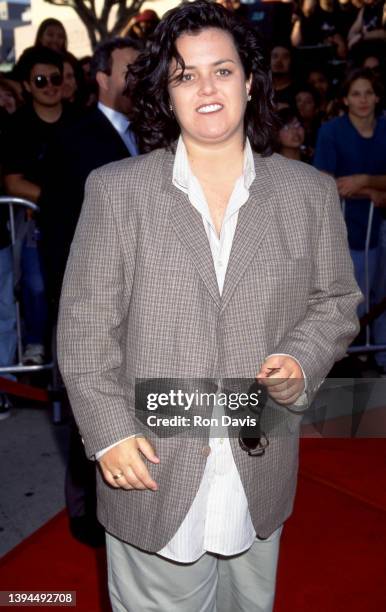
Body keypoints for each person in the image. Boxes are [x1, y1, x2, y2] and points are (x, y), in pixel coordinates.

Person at [57, 2, 361, 610]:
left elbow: (336, 301)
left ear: (249, 82)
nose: (206, 88)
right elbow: (85, 328)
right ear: (165, 94)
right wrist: (110, 431)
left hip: (260, 456)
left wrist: (301, 359)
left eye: (221, 70)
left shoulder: (308, 193)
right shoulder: (117, 191)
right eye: (184, 74)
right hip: (152, 462)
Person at [39, 36, 142, 548]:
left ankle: (124, 500)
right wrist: (66, 304)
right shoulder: (74, 138)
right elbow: (58, 229)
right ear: (101, 76)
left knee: (127, 405)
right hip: (89, 298)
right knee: (90, 404)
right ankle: (85, 514)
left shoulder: (150, 132)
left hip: (140, 300)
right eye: (130, 67)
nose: (140, 75)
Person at [2, 47, 75, 365]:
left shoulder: (81, 122)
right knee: (35, 284)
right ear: (28, 86)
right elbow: (12, 183)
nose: (50, 86)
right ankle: (35, 345)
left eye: (55, 78)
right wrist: (55, 200)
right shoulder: (18, 126)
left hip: (79, 221)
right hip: (36, 223)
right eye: (41, 80)